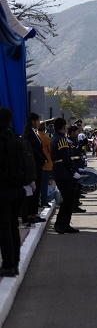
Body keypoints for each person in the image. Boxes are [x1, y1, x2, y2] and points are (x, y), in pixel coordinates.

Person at [0, 108, 28, 275]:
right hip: (18, 190)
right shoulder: (17, 139)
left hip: (3, 190)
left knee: (4, 229)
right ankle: (15, 263)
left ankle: (8, 265)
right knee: (13, 227)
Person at [50, 118, 80, 234]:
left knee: (69, 199)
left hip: (61, 172)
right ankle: (60, 223)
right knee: (68, 199)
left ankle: (65, 224)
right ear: (63, 127)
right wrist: (73, 171)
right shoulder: (61, 139)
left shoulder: (55, 138)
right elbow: (66, 158)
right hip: (64, 173)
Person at [37, 122, 52, 207]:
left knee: (38, 184)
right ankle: (44, 201)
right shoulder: (46, 138)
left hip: (37, 164)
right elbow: (51, 151)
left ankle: (38, 201)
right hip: (46, 164)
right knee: (44, 184)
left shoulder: (36, 136)